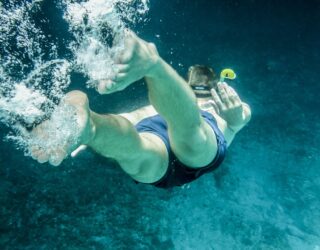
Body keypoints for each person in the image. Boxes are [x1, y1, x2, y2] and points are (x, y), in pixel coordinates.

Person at [29, 31, 251, 188]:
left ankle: (92, 128)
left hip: (158, 137)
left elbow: (136, 116)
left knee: (134, 149)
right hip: (188, 143)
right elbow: (239, 118)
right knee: (192, 137)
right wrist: (234, 115)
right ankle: (154, 66)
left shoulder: (191, 101)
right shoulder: (222, 106)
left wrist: (83, 133)